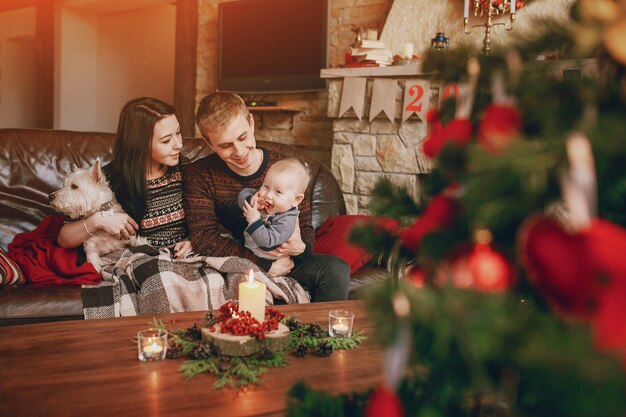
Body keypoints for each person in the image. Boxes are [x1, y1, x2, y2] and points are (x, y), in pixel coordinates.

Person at [183, 91, 350, 302]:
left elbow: (305, 228)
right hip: (238, 259)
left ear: (251, 122)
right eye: (225, 145)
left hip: (285, 258)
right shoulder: (199, 175)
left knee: (336, 269)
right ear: (209, 143)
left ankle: (322, 335)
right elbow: (205, 239)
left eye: (243, 137)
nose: (239, 151)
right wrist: (263, 265)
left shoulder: (287, 170)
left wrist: (301, 247)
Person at [57, 97, 193, 259]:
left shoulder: (184, 167)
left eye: (178, 132)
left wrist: (193, 240)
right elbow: (64, 239)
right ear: (139, 144)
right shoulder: (108, 180)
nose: (179, 144)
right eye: (166, 140)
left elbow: (207, 221)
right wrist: (98, 220)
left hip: (184, 259)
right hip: (140, 261)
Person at [237, 157, 310, 260]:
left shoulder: (287, 221)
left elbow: (267, 241)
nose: (268, 195)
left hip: (265, 259)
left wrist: (254, 220)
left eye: (278, 192)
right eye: (266, 186)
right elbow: (243, 194)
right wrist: (252, 200)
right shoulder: (263, 197)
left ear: (296, 200)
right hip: (246, 251)